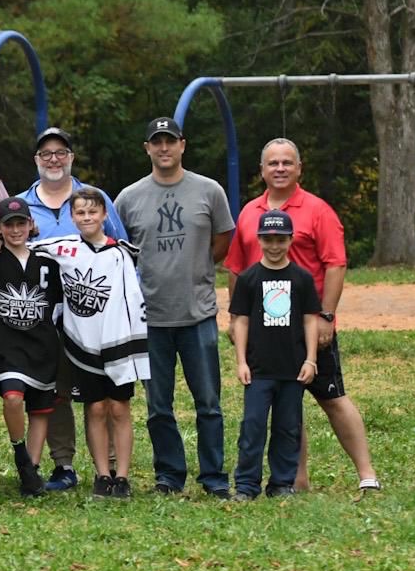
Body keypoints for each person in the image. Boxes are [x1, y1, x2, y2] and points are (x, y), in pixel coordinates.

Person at [223, 138, 382, 492]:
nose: (280, 169)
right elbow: (236, 269)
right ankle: (296, 479)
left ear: (299, 168)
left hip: (308, 325)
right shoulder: (250, 213)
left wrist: (326, 314)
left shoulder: (318, 210)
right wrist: (236, 319)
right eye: (273, 163)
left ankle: (367, 474)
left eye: (287, 163)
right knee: (285, 403)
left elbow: (336, 264)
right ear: (262, 170)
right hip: (264, 332)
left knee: (332, 397)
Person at [115, 116, 235, 497]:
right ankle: (169, 475)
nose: (164, 148)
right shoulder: (129, 198)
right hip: (151, 318)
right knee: (158, 406)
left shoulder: (209, 191)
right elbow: (119, 250)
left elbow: (222, 240)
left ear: (183, 144)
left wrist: (197, 270)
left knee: (209, 403)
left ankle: (213, 477)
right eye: (157, 142)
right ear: (147, 148)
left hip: (197, 313)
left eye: (170, 141)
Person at [18, 126, 126, 491]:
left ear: (71, 158)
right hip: (47, 316)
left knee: (105, 391)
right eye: (46, 153)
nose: (53, 159)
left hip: (95, 313)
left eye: (60, 153)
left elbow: (121, 248)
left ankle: (110, 466)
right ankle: (63, 463)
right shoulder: (22, 205)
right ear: (36, 160)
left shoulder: (93, 199)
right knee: (56, 391)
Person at [49, 188, 150, 497]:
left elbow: (133, 300)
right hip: (82, 346)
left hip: (117, 342)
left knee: (119, 408)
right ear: (72, 217)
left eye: (93, 211)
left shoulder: (120, 253)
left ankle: (122, 476)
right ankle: (102, 475)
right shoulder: (62, 249)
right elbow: (24, 247)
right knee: (94, 409)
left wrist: (134, 347)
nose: (87, 217)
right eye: (80, 212)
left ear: (105, 215)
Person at [229, 210, 321, 500]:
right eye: (268, 239)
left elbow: (309, 319)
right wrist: (241, 361)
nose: (274, 245)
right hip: (258, 369)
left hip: (292, 369)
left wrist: (311, 359)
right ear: (258, 240)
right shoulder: (248, 278)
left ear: (291, 240)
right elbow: (240, 321)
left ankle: (281, 483)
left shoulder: (302, 279)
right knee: (253, 428)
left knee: (287, 428)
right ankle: (246, 485)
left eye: (281, 239)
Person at [0, 197, 64, 497]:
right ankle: (21, 456)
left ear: (31, 225)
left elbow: (56, 306)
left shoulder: (47, 260)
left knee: (41, 410)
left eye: (21, 223)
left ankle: (31, 471)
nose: (16, 229)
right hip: (8, 348)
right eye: (9, 224)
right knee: (13, 397)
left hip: (43, 346)